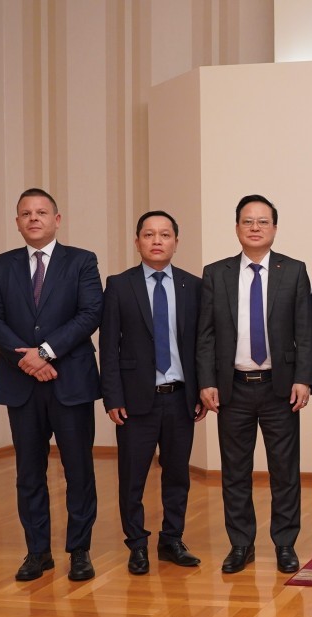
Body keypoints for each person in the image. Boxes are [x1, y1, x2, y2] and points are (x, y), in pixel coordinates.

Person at [0, 188, 103, 581]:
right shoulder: (0, 266)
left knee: (78, 469)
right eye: (25, 213)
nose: (33, 218)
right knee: (28, 472)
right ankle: (37, 552)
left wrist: (45, 352)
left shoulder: (82, 261)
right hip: (23, 384)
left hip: (71, 382)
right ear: (17, 222)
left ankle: (79, 550)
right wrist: (27, 361)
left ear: (57, 219)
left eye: (41, 212)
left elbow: (90, 313)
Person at [197, 194, 312, 574]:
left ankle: (284, 544)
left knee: (284, 470)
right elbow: (206, 335)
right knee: (235, 471)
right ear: (236, 228)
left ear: (275, 229)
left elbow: (305, 332)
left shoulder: (294, 271)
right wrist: (207, 381)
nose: (255, 228)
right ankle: (241, 544)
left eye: (263, 222)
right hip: (233, 388)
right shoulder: (216, 273)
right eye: (248, 221)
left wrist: (303, 379)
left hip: (279, 388)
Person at [99, 211, 206, 575]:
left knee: (177, 473)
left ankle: (171, 539)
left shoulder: (193, 286)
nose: (157, 241)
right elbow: (109, 345)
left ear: (176, 241)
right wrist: (112, 397)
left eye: (164, 235)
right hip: (134, 401)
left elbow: (198, 344)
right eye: (149, 234)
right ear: (137, 241)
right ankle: (137, 545)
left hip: (179, 397)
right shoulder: (119, 285)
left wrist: (200, 390)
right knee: (133, 476)